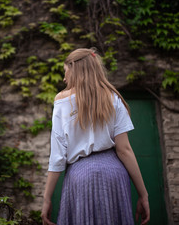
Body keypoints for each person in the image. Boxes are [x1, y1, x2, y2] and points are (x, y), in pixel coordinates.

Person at [41, 48, 150, 225]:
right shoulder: (113, 98)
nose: (64, 78)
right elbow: (125, 150)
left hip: (80, 177)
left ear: (74, 69)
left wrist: (46, 198)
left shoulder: (62, 101)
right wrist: (143, 194)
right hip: (115, 175)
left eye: (65, 72)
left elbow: (57, 156)